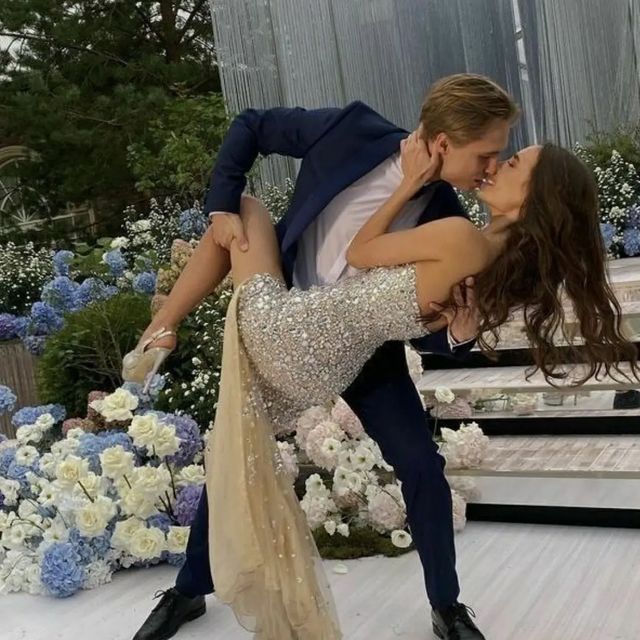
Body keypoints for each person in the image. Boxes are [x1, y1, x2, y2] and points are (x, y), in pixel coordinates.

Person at [126, 74, 634, 640]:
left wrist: (459, 335)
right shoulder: (352, 131)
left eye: (503, 160)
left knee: (420, 464)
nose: (490, 168)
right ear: (443, 142)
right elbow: (252, 126)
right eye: (487, 154)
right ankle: (189, 591)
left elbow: (431, 317)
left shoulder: (446, 211)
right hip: (293, 310)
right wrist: (220, 202)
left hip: (365, 348)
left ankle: (448, 608)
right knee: (238, 446)